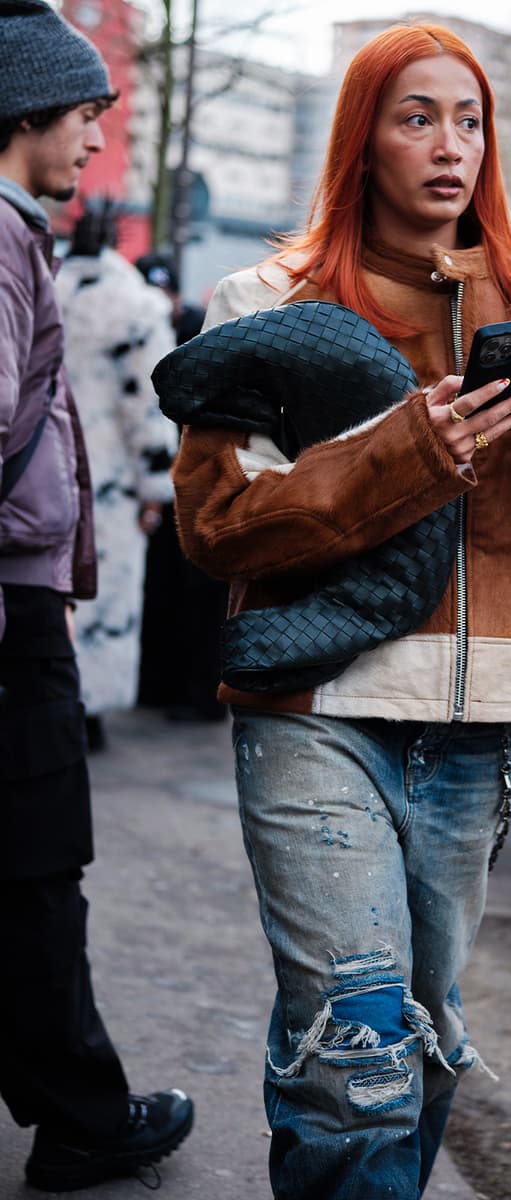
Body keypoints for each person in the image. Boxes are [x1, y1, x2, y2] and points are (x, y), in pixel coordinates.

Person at [168, 23, 511, 1199]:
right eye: (416, 116)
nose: (449, 145)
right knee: (356, 1044)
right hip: (318, 708)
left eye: (468, 119)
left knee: (420, 1033)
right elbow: (216, 524)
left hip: (480, 730)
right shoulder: (263, 299)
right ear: (361, 141)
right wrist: (406, 448)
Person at [0, 1, 193, 1190]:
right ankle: (81, 1118)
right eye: (84, 112)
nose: (95, 139)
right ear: (22, 109)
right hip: (8, 619)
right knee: (34, 870)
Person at [55, 206, 177, 750]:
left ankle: (51, 699)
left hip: (40, 473)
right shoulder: (135, 305)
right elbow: (149, 407)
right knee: (104, 591)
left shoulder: (42, 287)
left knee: (49, 589)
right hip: (108, 479)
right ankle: (89, 710)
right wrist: (156, 489)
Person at [134, 252, 228, 724]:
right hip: (159, 476)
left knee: (198, 592)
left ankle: (198, 691)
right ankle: (160, 684)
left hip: (196, 478)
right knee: (164, 588)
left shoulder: (200, 329)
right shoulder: (135, 327)